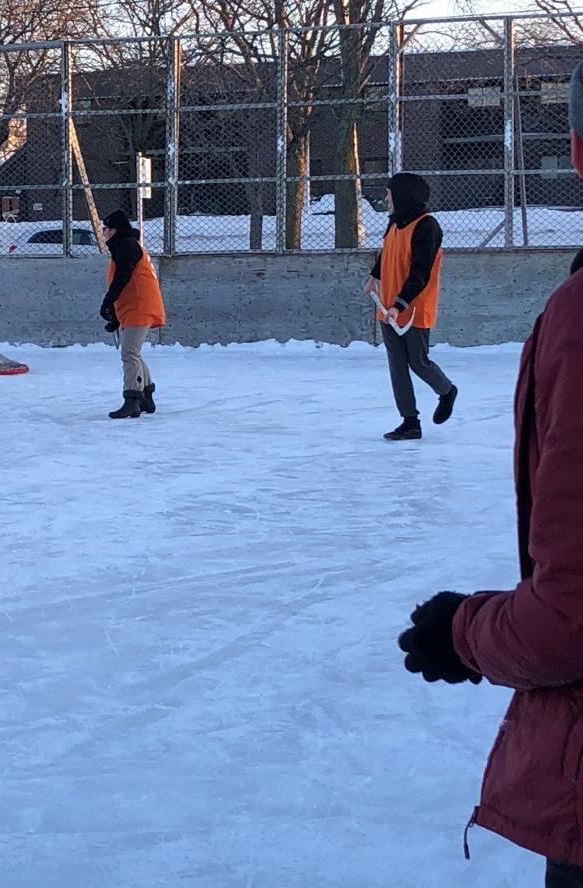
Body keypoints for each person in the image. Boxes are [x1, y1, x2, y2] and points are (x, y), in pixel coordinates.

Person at [397, 59, 583, 887]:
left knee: (419, 364)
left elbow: (569, 619)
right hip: (392, 312)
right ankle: (409, 410)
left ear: (574, 148)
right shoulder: (396, 225)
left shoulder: (577, 320)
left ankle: (430, 398)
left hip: (416, 314)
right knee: (399, 371)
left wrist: (465, 632)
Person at [364, 172, 457, 441]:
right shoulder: (394, 224)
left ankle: (446, 390)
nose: (386, 198)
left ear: (403, 195)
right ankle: (410, 421)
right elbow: (387, 254)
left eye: (389, 193)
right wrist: (373, 278)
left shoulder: (427, 227)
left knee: (418, 362)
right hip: (388, 307)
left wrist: (401, 304)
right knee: (397, 365)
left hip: (412, 308)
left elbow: (420, 272)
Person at [98, 208, 165, 419]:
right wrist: (116, 316)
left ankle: (132, 400)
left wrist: (108, 301)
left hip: (139, 307)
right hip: (135, 307)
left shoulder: (125, 246)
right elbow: (126, 281)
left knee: (129, 354)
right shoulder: (126, 245)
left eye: (105, 229)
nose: (103, 233)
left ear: (115, 230)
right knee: (134, 353)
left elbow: (123, 277)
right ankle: (146, 397)